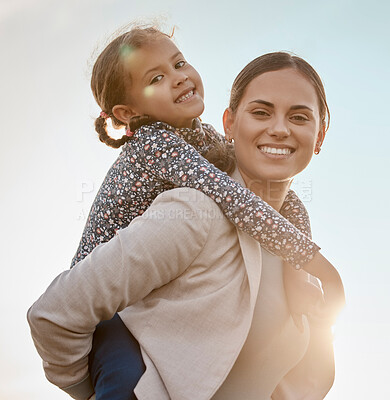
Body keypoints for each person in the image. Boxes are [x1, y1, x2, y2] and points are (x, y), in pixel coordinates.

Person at [28, 52, 344, 400]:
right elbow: (54, 315)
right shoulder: (194, 212)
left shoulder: (294, 256)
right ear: (229, 124)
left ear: (319, 137)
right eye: (261, 112)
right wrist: (94, 391)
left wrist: (304, 273)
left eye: (299, 117)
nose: (280, 129)